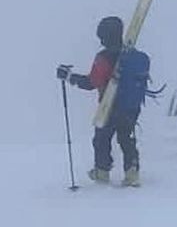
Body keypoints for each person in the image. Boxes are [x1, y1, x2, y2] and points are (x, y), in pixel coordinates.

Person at [56, 15, 144, 187]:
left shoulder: (103, 57)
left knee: (101, 139)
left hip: (109, 107)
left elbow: (92, 82)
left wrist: (68, 77)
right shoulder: (131, 55)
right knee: (126, 138)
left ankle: (102, 171)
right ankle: (132, 171)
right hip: (131, 107)